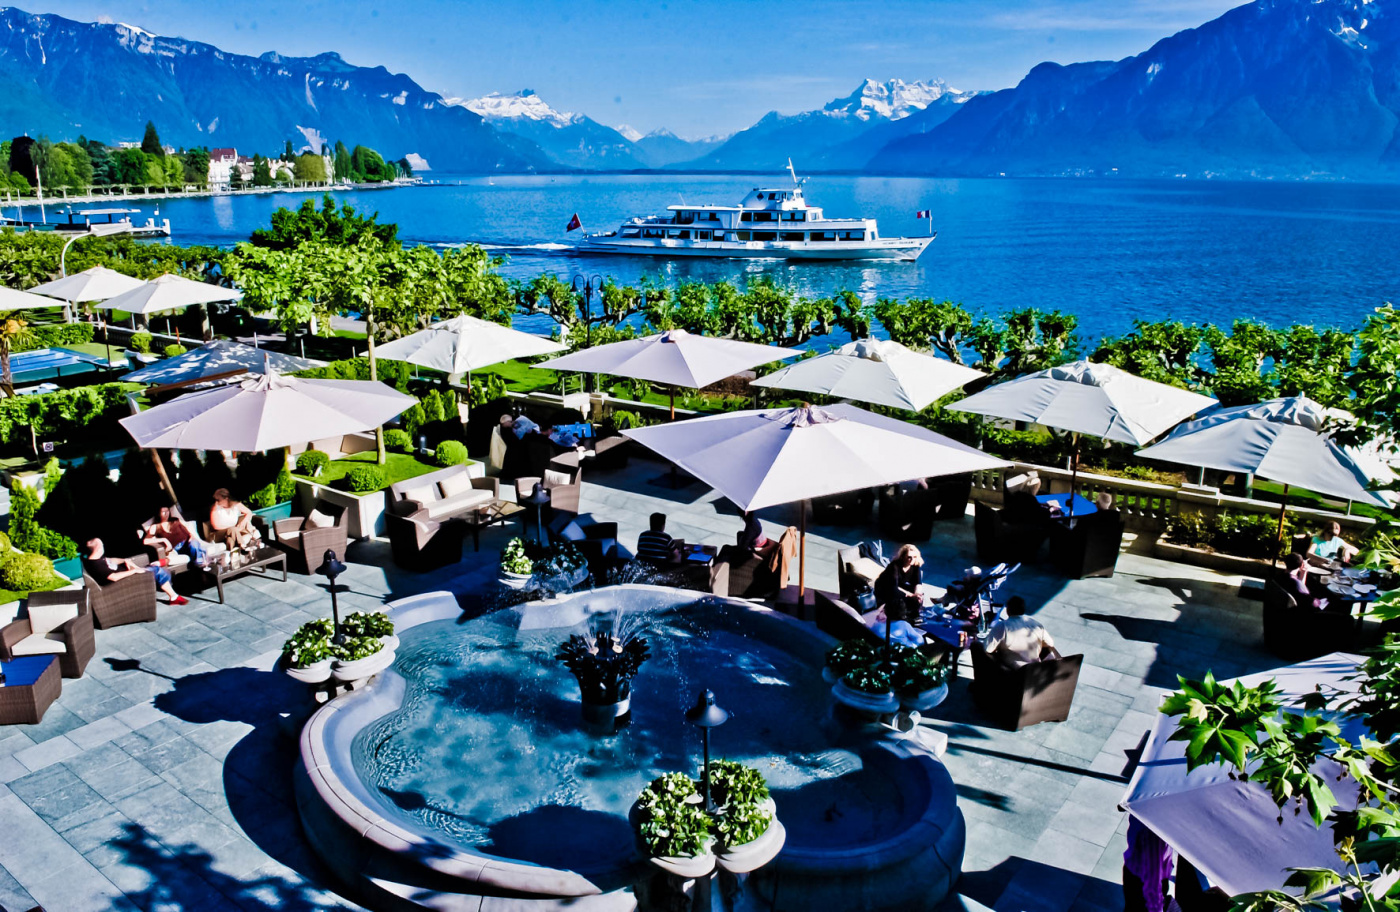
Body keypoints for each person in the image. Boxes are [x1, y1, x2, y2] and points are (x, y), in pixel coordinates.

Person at [84, 538, 187, 605]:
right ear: (98, 549)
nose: (103, 547)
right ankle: (173, 597)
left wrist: (124, 560)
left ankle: (171, 591)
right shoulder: (96, 565)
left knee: (154, 569)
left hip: (127, 575)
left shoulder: (95, 559)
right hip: (123, 583)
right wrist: (134, 571)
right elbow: (113, 577)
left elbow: (110, 560)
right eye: (102, 546)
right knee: (157, 571)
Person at [980, 596, 1055, 667]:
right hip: (1033, 669)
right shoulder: (1036, 624)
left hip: (1013, 671)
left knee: (976, 646)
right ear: (1023, 609)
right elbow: (1050, 643)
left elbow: (987, 648)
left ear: (1007, 610)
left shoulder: (1002, 626)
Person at [142, 505, 211, 567]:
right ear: (158, 513)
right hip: (176, 549)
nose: (166, 513)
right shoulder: (155, 526)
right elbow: (145, 541)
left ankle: (198, 564)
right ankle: (200, 562)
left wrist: (192, 537)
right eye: (163, 512)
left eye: (167, 511)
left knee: (194, 544)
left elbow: (188, 531)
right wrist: (164, 540)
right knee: (196, 551)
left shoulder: (175, 520)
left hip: (188, 543)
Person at [875, 544, 924, 623]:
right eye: (909, 557)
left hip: (899, 585)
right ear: (902, 556)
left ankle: (914, 615)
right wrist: (911, 595)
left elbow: (918, 582)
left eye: (914, 557)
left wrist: (917, 594)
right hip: (885, 587)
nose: (912, 560)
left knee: (918, 596)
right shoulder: (894, 566)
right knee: (898, 596)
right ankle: (901, 616)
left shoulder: (915, 565)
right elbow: (893, 586)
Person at [209, 488, 260, 552]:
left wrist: (243, 523)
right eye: (215, 500)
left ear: (226, 498)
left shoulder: (235, 504)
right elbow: (215, 526)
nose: (216, 502)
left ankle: (234, 553)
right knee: (233, 530)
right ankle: (242, 545)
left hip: (233, 532)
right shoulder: (216, 508)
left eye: (218, 500)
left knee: (230, 539)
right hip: (218, 533)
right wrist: (232, 529)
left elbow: (249, 512)